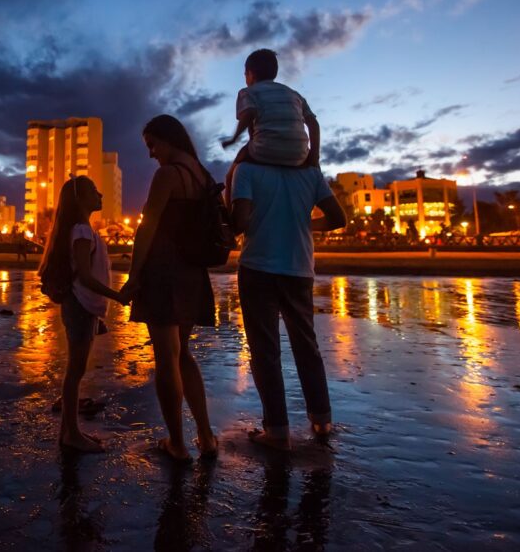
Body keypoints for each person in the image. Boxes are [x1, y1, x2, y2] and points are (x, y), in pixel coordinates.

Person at [120, 115, 219, 462]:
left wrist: (133, 276)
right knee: (184, 354)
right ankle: (206, 436)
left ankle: (177, 443)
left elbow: (147, 228)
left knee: (166, 359)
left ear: (168, 139)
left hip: (164, 271)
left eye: (152, 145)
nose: (150, 154)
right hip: (193, 272)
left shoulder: (167, 175)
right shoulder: (202, 175)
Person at [230, 158, 346, 450]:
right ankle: (322, 420)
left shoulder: (247, 169)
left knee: (264, 350)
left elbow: (239, 222)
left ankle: (277, 430)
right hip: (298, 268)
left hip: (257, 266)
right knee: (307, 345)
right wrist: (303, 221)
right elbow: (337, 218)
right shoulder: (309, 172)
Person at [38, 176, 126, 453]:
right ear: (80, 199)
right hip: (80, 304)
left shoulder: (81, 229)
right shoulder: (82, 231)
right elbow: (86, 278)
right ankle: (71, 434)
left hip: (83, 305)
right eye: (94, 190)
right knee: (75, 371)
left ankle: (68, 430)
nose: (100, 194)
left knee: (76, 369)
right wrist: (118, 296)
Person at [221, 48, 320, 203]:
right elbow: (313, 123)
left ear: (250, 74)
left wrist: (233, 139)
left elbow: (249, 114)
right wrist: (314, 157)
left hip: (264, 149)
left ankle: (231, 219)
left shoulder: (248, 92)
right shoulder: (294, 94)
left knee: (230, 176)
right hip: (299, 154)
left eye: (245, 74)